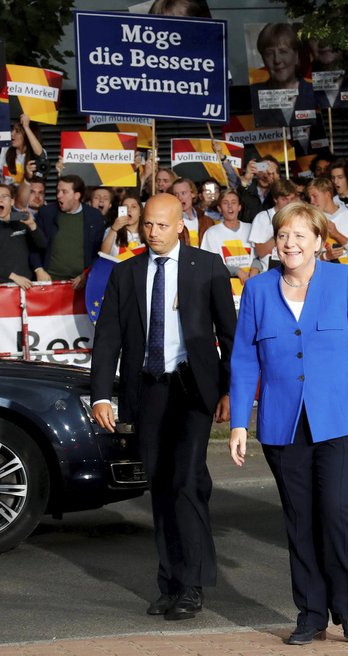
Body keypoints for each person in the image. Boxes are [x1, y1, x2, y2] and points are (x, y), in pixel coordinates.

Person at [229, 201, 348, 645]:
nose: (290, 243)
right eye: (284, 235)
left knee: (337, 513)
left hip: (341, 421)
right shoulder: (259, 290)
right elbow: (245, 359)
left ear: (320, 242)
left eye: (301, 235)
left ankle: (347, 608)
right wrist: (239, 422)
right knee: (299, 520)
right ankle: (310, 613)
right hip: (283, 425)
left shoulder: (343, 281)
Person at [90, 194, 236, 621]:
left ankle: (191, 585)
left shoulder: (207, 267)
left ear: (180, 227)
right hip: (147, 389)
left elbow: (229, 336)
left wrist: (230, 392)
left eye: (160, 225)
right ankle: (170, 582)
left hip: (192, 389)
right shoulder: (127, 272)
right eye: (147, 224)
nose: (151, 232)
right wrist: (102, 394)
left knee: (186, 481)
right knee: (160, 485)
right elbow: (109, 336)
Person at [31, 175, 105, 288]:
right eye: (58, 191)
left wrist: (87, 274)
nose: (58, 195)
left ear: (77, 195)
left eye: (64, 192)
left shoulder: (94, 216)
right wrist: (39, 269)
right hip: (50, 283)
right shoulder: (46, 213)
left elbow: (100, 252)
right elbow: (34, 245)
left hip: (81, 285)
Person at [251, 23, 317, 129]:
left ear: (296, 56)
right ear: (263, 59)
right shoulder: (254, 95)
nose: (277, 60)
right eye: (269, 54)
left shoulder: (314, 92)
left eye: (283, 52)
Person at [200, 191, 256, 287]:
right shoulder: (212, 233)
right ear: (219, 208)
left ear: (239, 207)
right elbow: (209, 263)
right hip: (226, 289)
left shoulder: (251, 228)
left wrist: (255, 270)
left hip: (251, 287)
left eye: (234, 202)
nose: (230, 206)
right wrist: (236, 271)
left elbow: (259, 256)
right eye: (225, 203)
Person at [0, 183, 45, 289]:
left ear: (11, 201)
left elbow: (42, 245)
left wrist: (32, 225)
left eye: (4, 197)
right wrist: (13, 276)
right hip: (3, 288)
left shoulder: (21, 221)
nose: (0, 200)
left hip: (27, 285)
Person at [2, 114, 45, 185]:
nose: (12, 134)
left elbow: (40, 155)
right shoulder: (5, 149)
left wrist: (26, 127)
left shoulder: (38, 152)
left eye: (17, 131)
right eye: (13, 130)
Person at [171, 178, 215, 247]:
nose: (180, 197)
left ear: (193, 194)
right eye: (176, 194)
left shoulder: (207, 221)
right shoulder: (171, 222)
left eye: (183, 193)